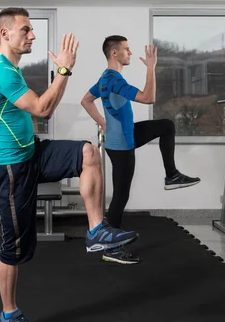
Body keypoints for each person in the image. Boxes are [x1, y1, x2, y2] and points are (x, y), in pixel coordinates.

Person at [0, 8, 139, 322]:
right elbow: (43, 108)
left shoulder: (12, 68)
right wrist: (64, 70)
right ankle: (8, 317)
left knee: (87, 153)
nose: (32, 36)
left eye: (32, 30)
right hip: (11, 167)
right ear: (4, 34)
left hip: (31, 152)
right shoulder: (0, 71)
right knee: (14, 247)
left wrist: (62, 73)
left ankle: (97, 230)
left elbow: (41, 109)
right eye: (25, 30)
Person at [81, 35, 200, 265]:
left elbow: (86, 100)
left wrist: (102, 122)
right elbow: (149, 97)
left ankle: (172, 174)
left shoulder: (104, 78)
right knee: (120, 196)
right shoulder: (114, 80)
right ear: (114, 53)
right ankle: (111, 248)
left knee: (166, 126)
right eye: (126, 49)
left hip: (124, 138)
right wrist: (151, 68)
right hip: (122, 145)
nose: (130, 53)